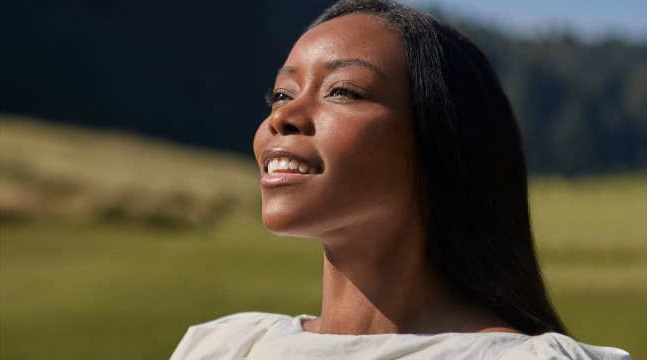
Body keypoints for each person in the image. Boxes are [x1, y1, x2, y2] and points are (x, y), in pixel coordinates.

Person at [170, 0, 632, 359]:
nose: (283, 116)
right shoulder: (223, 346)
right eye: (280, 94)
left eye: (342, 91)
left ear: (441, 143)